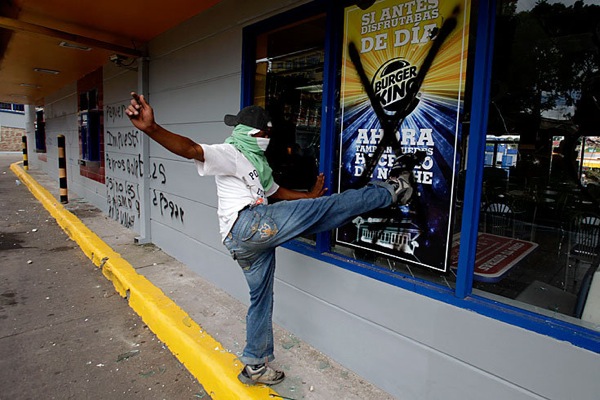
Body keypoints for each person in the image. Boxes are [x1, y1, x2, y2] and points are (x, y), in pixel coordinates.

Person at [125, 92, 417, 386]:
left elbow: (276, 192)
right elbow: (190, 149)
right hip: (248, 226)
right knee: (327, 211)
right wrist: (152, 128)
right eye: (264, 134)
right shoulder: (231, 153)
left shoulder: (256, 165)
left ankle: (255, 364)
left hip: (246, 241)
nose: (266, 138)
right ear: (255, 134)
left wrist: (308, 197)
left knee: (261, 299)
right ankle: (393, 189)